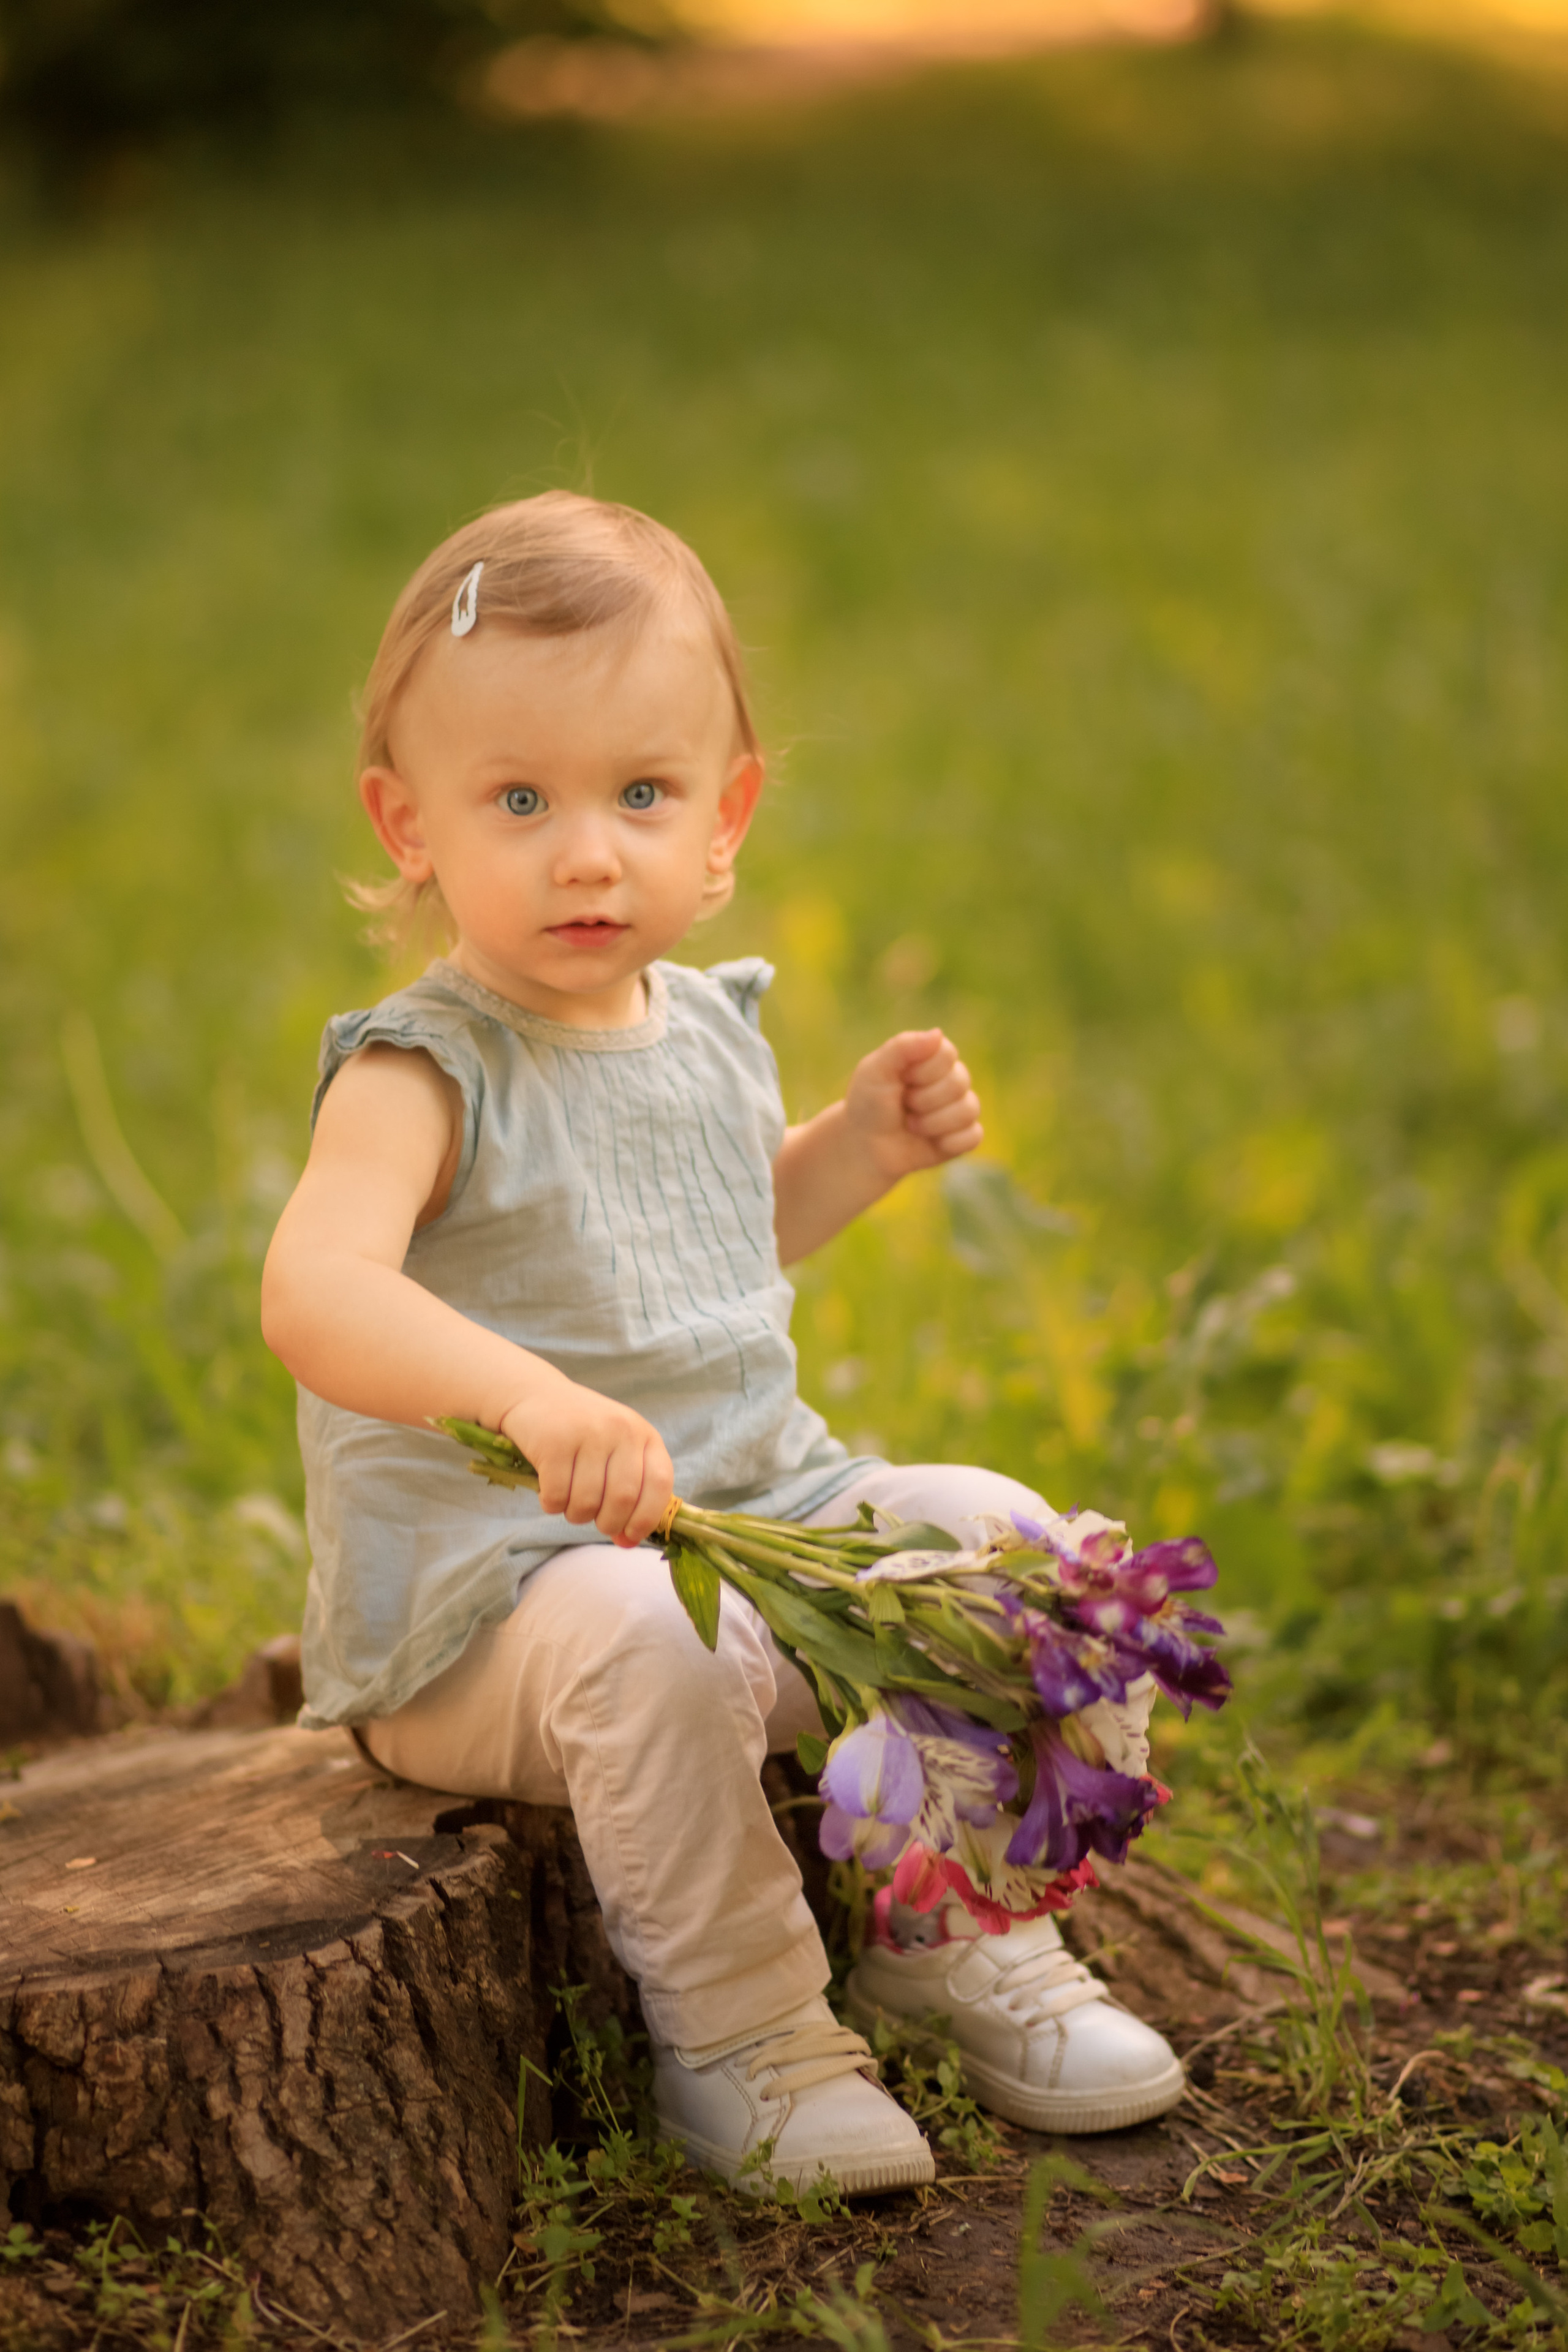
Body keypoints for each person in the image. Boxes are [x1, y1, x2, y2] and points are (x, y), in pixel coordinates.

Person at [261, 490, 1184, 2196]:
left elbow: (696, 1248)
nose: (588, 852)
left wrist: (856, 1154)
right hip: (495, 1612)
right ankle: (748, 2037)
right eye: (520, 801)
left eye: (641, 795)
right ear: (408, 823)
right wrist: (527, 1400)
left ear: (725, 816)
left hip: (764, 1528)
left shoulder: (703, 1027)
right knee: (647, 1627)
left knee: (1011, 1550)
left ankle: (961, 1932)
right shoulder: (420, 1068)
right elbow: (315, 1291)